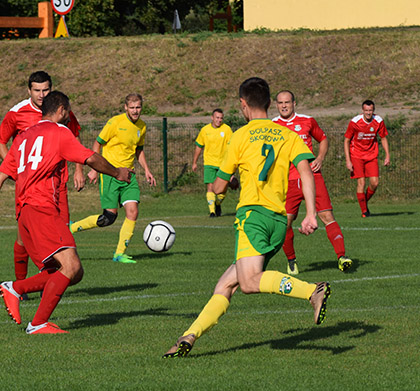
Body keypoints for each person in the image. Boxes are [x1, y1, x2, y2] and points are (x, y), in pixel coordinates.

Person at [164, 77, 331, 358]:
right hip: (278, 221)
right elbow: (306, 171)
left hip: (253, 217)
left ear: (243, 104)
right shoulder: (287, 135)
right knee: (225, 285)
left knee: (250, 282)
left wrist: (227, 182)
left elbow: (218, 187)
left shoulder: (239, 136)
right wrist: (311, 213)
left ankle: (312, 291)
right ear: (269, 103)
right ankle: (189, 336)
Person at [0, 91, 132, 334]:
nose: (69, 116)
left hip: (24, 213)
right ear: (62, 110)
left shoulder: (23, 137)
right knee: (70, 267)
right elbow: (90, 158)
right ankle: (35, 319)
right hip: (41, 209)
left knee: (71, 272)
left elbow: (0, 176)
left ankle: (17, 290)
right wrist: (117, 172)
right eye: (69, 111)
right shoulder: (60, 132)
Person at [0, 71, 85, 296]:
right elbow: (0, 142)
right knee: (24, 239)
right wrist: (19, 171)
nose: (41, 94)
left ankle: (48, 282)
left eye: (45, 90)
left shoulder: (60, 110)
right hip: (31, 187)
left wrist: (79, 169)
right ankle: (20, 285)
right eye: (37, 90)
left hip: (58, 185)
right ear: (29, 91)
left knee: (60, 236)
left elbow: (75, 137)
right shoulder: (17, 113)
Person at [68, 93, 157, 264]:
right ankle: (72, 227)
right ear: (125, 107)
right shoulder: (115, 122)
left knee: (133, 211)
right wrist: (95, 169)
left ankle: (119, 254)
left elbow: (138, 151)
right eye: (132, 108)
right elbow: (97, 143)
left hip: (129, 176)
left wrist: (147, 170)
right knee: (108, 218)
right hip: (110, 174)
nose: (135, 111)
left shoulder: (142, 126)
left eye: (138, 107)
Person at [273, 90, 352, 274]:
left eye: (287, 102)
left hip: (312, 177)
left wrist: (320, 158)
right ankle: (291, 261)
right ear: (276, 105)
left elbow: (323, 139)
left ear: (294, 103)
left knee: (327, 216)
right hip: (288, 181)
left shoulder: (307, 121)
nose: (284, 106)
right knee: (285, 223)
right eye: (280, 103)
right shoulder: (272, 126)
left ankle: (342, 257)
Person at [344, 100, 390, 217]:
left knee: (375, 183)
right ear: (363, 110)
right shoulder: (355, 122)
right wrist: (348, 160)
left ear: (373, 110)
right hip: (356, 155)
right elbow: (347, 140)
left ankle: (363, 201)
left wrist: (387, 155)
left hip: (371, 155)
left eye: (370, 110)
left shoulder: (378, 121)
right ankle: (364, 211)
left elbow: (383, 138)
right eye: (366, 110)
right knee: (362, 182)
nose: (368, 113)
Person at [191, 108, 233, 217]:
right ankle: (212, 212)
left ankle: (218, 203)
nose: (219, 120)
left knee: (222, 189)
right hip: (209, 163)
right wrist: (194, 162)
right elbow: (199, 146)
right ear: (212, 118)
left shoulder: (227, 129)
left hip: (223, 164)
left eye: (221, 118)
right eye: (217, 118)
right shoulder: (205, 130)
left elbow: (232, 147)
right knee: (210, 187)